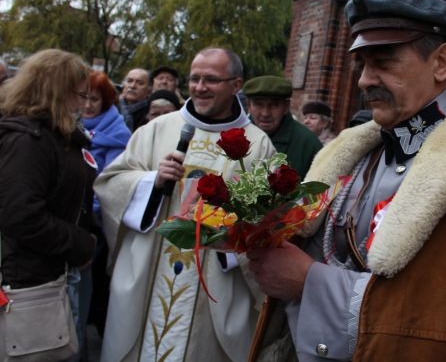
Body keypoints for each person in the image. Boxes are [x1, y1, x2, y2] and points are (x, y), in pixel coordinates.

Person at [246, 0, 446, 362]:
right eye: (361, 65)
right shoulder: (348, 152)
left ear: (441, 62)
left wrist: (310, 283)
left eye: (383, 61)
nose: (365, 80)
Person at [94, 47, 275, 362]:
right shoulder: (156, 129)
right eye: (195, 78)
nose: (200, 87)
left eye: (211, 80)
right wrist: (151, 182)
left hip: (215, 284)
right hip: (149, 274)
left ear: (236, 85)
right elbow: (110, 184)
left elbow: (270, 218)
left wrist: (230, 214)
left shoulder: (257, 145)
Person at [0, 49, 97, 332]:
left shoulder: (50, 135)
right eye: (81, 95)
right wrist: (81, 245)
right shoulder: (27, 141)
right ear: (57, 92)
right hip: (27, 283)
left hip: (45, 274)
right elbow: (21, 215)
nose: (83, 104)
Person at [80, 70, 131, 338]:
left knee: (97, 288)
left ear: (106, 101)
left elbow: (111, 182)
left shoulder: (117, 134)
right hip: (77, 217)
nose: (87, 105)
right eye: (84, 97)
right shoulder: (74, 125)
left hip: (98, 221)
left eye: (94, 99)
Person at [243, 75, 322, 179]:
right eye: (259, 105)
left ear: (286, 107)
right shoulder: (237, 136)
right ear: (248, 105)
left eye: (274, 105)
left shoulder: (309, 144)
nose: (265, 113)